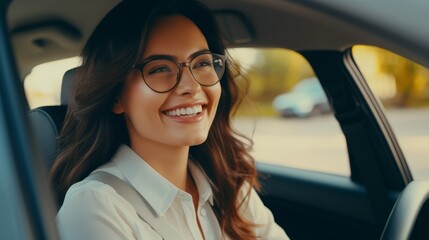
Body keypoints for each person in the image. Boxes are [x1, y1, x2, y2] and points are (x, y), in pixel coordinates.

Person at [52, 0, 288, 239]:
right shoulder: (94, 207)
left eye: (203, 63)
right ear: (116, 97)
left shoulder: (227, 184)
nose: (191, 86)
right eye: (159, 68)